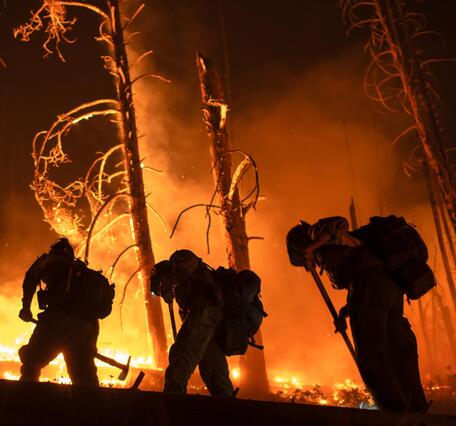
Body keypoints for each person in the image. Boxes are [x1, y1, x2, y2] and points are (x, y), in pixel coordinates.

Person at [286, 216, 428, 413]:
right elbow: (361, 281)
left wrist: (311, 247)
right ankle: (416, 407)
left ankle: (394, 412)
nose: (310, 265)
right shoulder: (339, 249)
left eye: (304, 260)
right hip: (387, 287)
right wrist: (347, 311)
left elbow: (339, 224)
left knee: (371, 353)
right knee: (398, 348)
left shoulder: (315, 233)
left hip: (373, 284)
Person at [151, 250, 234, 396]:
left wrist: (169, 282)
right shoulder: (183, 288)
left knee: (183, 351)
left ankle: (172, 399)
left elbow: (188, 268)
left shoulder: (180, 259)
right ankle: (227, 407)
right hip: (209, 314)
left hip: (205, 309)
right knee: (212, 364)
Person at [18, 238, 99, 386]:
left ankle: (25, 401)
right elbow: (93, 315)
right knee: (85, 378)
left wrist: (26, 307)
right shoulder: (81, 272)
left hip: (54, 323)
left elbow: (30, 279)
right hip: (81, 329)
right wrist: (92, 343)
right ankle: (95, 406)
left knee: (31, 362)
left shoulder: (48, 262)